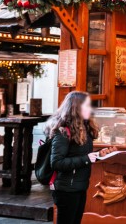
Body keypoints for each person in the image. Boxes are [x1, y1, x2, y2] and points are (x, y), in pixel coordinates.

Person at [45, 91, 99, 224]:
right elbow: (56, 162)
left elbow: (80, 154)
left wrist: (99, 155)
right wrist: (86, 159)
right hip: (66, 189)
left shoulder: (84, 128)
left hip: (80, 187)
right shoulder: (63, 131)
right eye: (86, 105)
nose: (90, 109)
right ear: (76, 108)